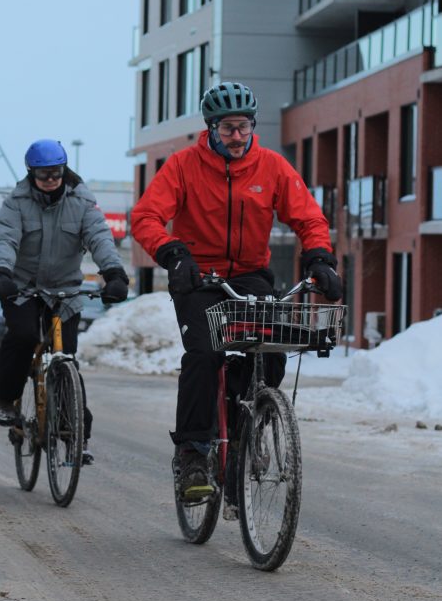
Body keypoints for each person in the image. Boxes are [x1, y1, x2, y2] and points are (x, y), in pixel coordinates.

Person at [131, 81, 342, 504]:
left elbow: (308, 217)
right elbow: (147, 216)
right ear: (211, 128)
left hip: (249, 275)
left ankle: (242, 432)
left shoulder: (272, 167)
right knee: (204, 355)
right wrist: (172, 252)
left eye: (244, 126)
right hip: (197, 276)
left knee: (272, 354)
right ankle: (193, 453)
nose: (237, 137)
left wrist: (320, 257)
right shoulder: (183, 166)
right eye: (227, 128)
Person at [0, 139, 129, 463]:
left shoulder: (82, 201)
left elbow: (99, 238)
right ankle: (5, 398)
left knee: (66, 359)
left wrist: (114, 273)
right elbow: (6, 239)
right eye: (43, 175)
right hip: (22, 288)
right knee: (23, 337)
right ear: (31, 174)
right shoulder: (16, 203)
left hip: (65, 292)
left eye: (56, 173)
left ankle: (76, 433)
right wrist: (0, 273)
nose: (51, 180)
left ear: (64, 171)